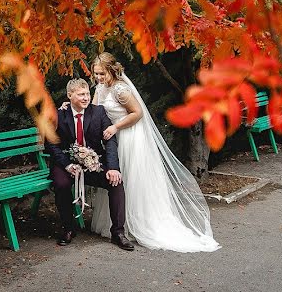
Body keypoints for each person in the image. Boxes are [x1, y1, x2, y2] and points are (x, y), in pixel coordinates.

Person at [89, 52, 221, 252]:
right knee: (115, 179)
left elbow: (137, 113)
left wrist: (116, 127)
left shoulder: (121, 90)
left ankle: (136, 224)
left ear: (111, 70)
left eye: (101, 73)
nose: (98, 78)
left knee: (132, 180)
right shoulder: (99, 88)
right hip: (111, 139)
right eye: (95, 74)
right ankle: (117, 222)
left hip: (128, 137)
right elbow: (92, 111)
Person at [45, 78, 135, 251]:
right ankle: (68, 228)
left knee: (115, 181)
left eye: (87, 94)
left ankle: (118, 233)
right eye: (81, 95)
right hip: (66, 163)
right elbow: (51, 144)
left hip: (92, 163)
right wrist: (66, 165)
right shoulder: (59, 115)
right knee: (61, 184)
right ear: (70, 95)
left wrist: (113, 168)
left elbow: (110, 142)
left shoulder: (98, 112)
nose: (86, 98)